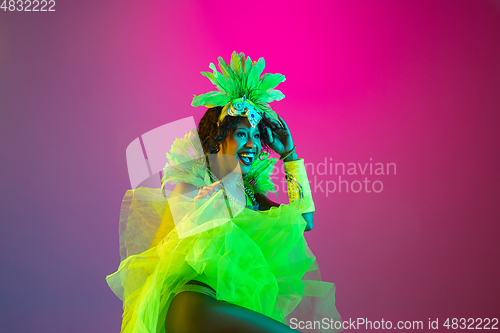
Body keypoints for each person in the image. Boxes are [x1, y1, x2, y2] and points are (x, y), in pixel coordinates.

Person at [106, 52, 342, 333]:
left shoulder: (253, 196)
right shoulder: (195, 180)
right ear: (219, 136)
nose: (252, 144)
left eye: (256, 135)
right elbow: (161, 256)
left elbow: (304, 221)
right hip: (196, 307)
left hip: (227, 310)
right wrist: (203, 206)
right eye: (242, 133)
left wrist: (290, 155)